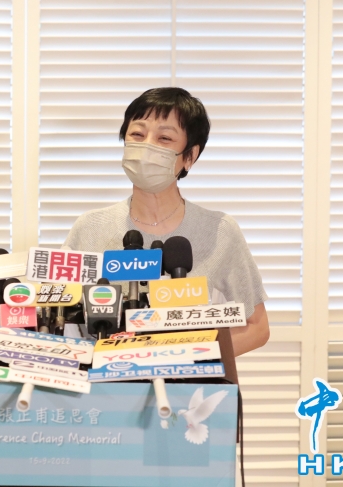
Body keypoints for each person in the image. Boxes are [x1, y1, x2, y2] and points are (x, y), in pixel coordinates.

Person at [64, 87, 270, 355]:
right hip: (110, 376)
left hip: (185, 377)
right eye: (137, 135)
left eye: (164, 138)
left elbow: (257, 328)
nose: (147, 146)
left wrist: (185, 357)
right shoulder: (89, 228)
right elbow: (63, 321)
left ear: (189, 156)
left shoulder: (219, 231)